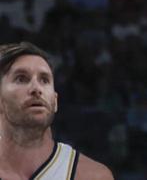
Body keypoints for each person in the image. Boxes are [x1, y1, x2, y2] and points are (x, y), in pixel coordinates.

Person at [0, 41, 113, 180]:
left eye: (44, 80)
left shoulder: (92, 176)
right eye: (21, 78)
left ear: (55, 102)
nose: (36, 89)